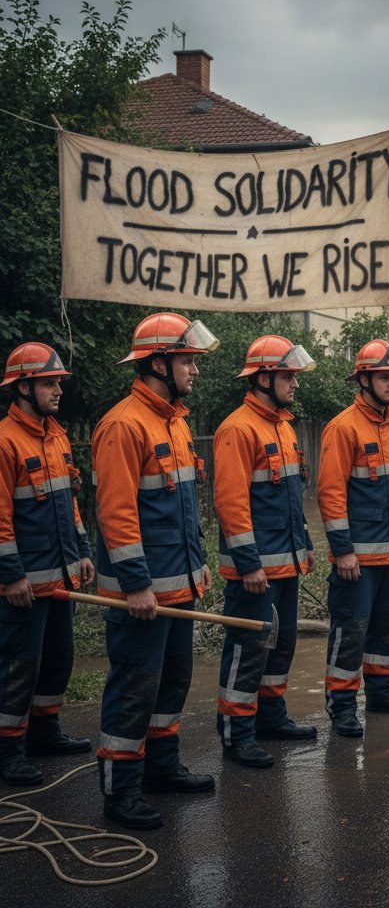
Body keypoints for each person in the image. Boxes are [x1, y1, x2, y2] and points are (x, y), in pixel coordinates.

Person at [93, 313, 218, 830]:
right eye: (187, 361)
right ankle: (120, 791)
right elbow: (117, 514)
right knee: (134, 689)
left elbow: (183, 510)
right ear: (159, 364)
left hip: (177, 587)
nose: (195, 369)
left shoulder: (175, 421)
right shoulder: (124, 425)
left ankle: (161, 768)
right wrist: (137, 585)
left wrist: (195, 571)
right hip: (141, 596)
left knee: (172, 681)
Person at [215, 336, 319, 769]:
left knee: (282, 645)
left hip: (285, 565)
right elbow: (231, 504)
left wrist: (304, 545)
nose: (295, 383)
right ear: (263, 378)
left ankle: (270, 718)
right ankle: (237, 734)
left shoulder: (282, 426)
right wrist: (248, 565)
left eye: (295, 376)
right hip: (255, 572)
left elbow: (291, 498)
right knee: (248, 650)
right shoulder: (238, 429)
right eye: (287, 376)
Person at [318, 340, 389, 739]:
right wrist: (343, 551)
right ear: (364, 380)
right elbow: (330, 494)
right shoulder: (342, 427)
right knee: (350, 633)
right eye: (384, 377)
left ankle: (382, 695)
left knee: (387, 630)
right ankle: (342, 707)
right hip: (358, 561)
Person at [0, 344, 93, 786]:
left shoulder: (55, 436)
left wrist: (83, 550)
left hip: (59, 579)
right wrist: (11, 575)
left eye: (58, 382)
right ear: (23, 388)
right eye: (49, 383)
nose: (58, 390)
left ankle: (44, 732)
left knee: (58, 659)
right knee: (20, 667)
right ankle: (8, 750)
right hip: (23, 585)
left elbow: (69, 504)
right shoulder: (5, 441)